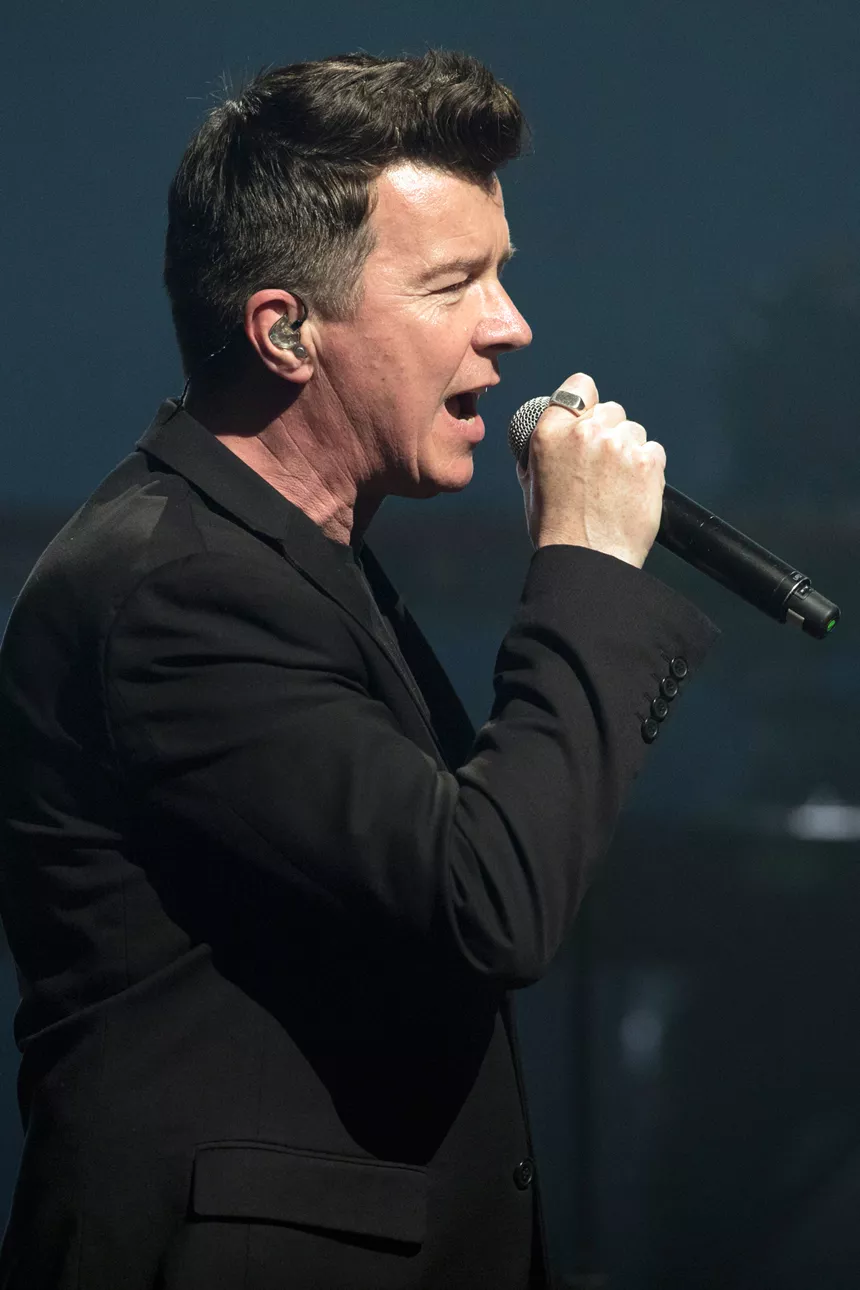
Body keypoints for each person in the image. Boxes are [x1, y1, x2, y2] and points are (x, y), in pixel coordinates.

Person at [0, 50, 717, 1290]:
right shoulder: (178, 591)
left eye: (499, 272)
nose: (509, 325)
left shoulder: (288, 563)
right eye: (452, 283)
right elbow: (488, 897)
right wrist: (588, 566)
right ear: (285, 330)